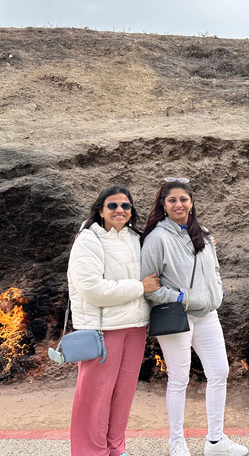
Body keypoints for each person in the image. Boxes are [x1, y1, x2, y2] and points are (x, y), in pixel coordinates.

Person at [141, 178, 248, 456]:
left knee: (219, 372)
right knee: (179, 379)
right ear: (163, 205)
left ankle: (215, 441)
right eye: (172, 200)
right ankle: (177, 443)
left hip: (208, 314)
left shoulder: (203, 232)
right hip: (178, 316)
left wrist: (218, 291)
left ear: (191, 202)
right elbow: (148, 285)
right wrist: (179, 298)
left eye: (184, 199)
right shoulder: (156, 238)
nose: (179, 204)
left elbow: (213, 269)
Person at [67, 185, 161, 456]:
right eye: (113, 205)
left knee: (122, 395)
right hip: (103, 329)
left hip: (135, 327)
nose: (120, 210)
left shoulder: (135, 237)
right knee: (95, 397)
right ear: (101, 210)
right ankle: (90, 452)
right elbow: (92, 289)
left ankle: (116, 449)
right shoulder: (88, 240)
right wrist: (140, 287)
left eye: (125, 206)